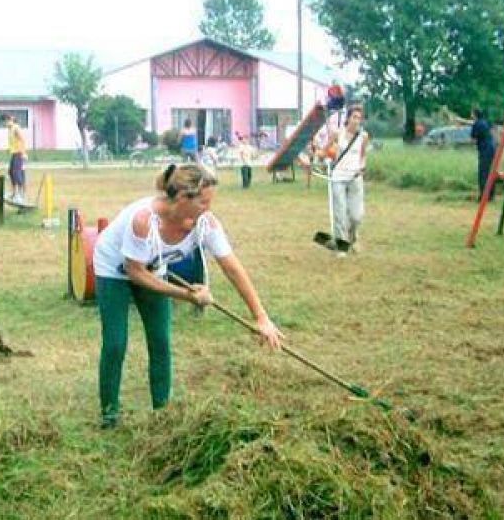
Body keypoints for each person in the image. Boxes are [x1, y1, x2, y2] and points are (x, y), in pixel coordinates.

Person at [92, 163, 283, 428]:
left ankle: (163, 411)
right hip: (115, 269)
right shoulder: (144, 220)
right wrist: (186, 294)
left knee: (160, 340)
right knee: (115, 343)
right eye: (203, 203)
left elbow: (231, 266)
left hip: (152, 267)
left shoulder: (205, 224)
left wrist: (261, 317)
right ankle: (109, 415)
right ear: (182, 198)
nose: (208, 209)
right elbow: (134, 272)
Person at [317, 105, 369, 255]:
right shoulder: (337, 133)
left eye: (359, 118)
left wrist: (362, 166)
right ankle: (341, 246)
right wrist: (318, 156)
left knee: (356, 216)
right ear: (348, 118)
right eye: (354, 117)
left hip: (355, 177)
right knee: (339, 212)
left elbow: (363, 155)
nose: (357, 121)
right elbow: (325, 150)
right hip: (338, 177)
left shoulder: (363, 136)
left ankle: (353, 237)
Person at [469, 108, 497, 201]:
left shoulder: (476, 124)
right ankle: (491, 195)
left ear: (474, 115)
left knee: (483, 173)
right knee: (491, 172)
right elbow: (493, 132)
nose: (471, 115)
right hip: (492, 148)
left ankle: (484, 197)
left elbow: (472, 140)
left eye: (471, 114)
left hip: (484, 150)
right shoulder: (485, 122)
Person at [1, 113, 28, 203]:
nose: (4, 125)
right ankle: (13, 193)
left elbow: (22, 140)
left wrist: (23, 153)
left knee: (17, 173)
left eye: (4, 123)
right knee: (11, 172)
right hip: (14, 153)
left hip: (19, 153)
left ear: (8, 120)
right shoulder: (10, 129)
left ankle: (20, 195)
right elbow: (14, 141)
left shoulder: (16, 128)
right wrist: (9, 149)